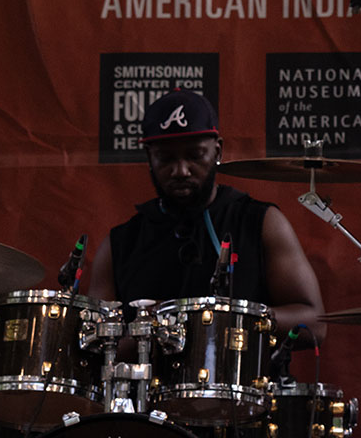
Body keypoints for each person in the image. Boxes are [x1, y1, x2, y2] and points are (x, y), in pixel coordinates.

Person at [88, 89, 326, 348]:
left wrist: (223, 321)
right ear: (149, 158)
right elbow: (94, 343)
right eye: (166, 158)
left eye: (195, 155)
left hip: (243, 386)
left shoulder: (261, 222)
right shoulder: (120, 243)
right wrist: (153, 332)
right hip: (147, 388)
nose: (181, 170)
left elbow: (315, 324)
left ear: (218, 151)